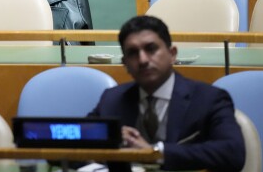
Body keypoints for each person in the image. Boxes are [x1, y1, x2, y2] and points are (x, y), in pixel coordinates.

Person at [89, 15, 245, 171]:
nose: (143, 60)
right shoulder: (112, 99)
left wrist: (155, 153)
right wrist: (108, 139)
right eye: (133, 53)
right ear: (125, 64)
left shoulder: (208, 99)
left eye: (151, 49)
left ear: (172, 54)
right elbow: (74, 141)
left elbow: (233, 153)